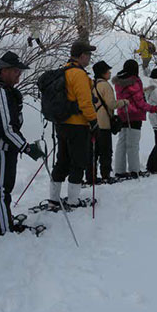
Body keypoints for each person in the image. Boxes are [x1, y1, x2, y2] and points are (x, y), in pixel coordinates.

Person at [0, 51, 42, 236]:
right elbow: (6, 129)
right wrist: (26, 147)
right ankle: (3, 228)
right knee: (1, 189)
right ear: (4, 70)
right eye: (15, 71)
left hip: (7, 148)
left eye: (19, 71)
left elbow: (13, 124)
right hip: (0, 148)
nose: (19, 74)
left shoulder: (7, 92)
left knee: (0, 186)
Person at [49, 41, 98, 207]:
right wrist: (93, 121)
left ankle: (53, 199)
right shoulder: (78, 74)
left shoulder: (64, 70)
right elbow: (85, 102)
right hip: (77, 125)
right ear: (82, 55)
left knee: (62, 160)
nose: (90, 58)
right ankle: (73, 200)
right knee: (78, 161)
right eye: (89, 54)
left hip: (62, 123)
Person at [113, 59, 157, 178]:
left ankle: (119, 170)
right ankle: (135, 170)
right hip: (134, 115)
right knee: (133, 144)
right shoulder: (134, 81)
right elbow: (139, 102)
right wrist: (152, 108)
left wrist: (145, 90)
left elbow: (131, 96)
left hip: (122, 113)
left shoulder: (119, 81)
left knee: (122, 143)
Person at [88, 60, 128, 184]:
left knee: (93, 152)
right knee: (105, 151)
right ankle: (105, 175)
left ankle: (91, 177)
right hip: (104, 122)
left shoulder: (91, 84)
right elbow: (111, 104)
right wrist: (123, 102)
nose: (110, 73)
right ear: (103, 73)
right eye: (108, 71)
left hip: (91, 122)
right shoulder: (105, 85)